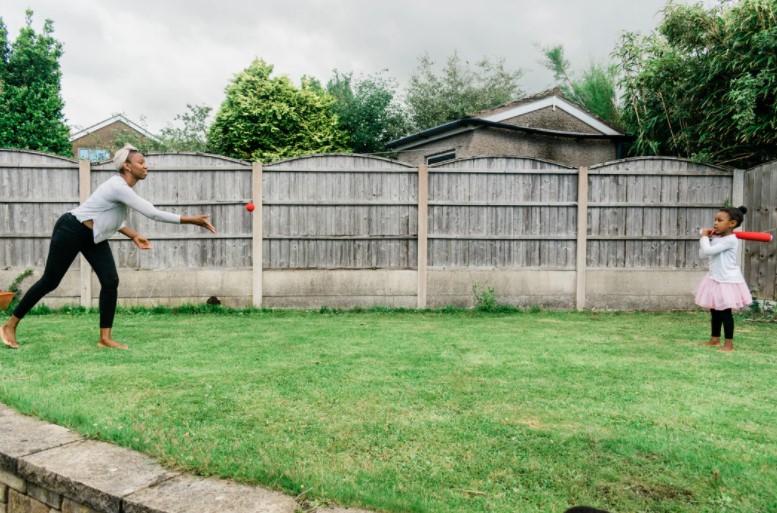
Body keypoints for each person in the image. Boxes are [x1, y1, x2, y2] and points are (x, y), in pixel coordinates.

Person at [1, 144, 216, 350]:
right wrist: (192, 220)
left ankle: (105, 338)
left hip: (94, 235)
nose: (146, 166)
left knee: (110, 280)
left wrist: (133, 235)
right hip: (72, 229)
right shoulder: (118, 186)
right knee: (50, 281)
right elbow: (152, 213)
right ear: (127, 166)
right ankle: (9, 325)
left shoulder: (123, 188)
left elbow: (109, 217)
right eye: (141, 162)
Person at [695, 206, 752, 352]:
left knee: (725, 313)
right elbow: (704, 254)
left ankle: (728, 344)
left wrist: (704, 237)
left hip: (727, 281)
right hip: (715, 279)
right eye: (715, 220)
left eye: (719, 220)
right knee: (714, 311)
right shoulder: (718, 238)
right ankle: (714, 339)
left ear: (732, 224)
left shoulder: (731, 240)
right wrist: (708, 239)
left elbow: (708, 249)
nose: (715, 223)